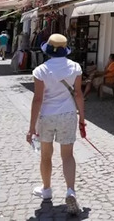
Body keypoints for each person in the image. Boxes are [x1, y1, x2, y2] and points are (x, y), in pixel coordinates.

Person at [26, 33, 85, 215]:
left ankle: (46, 190)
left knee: (46, 155)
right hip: (68, 114)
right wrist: (82, 119)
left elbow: (37, 99)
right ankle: (70, 191)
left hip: (47, 116)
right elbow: (78, 94)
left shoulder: (41, 70)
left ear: (49, 50)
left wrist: (31, 127)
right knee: (67, 155)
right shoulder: (75, 67)